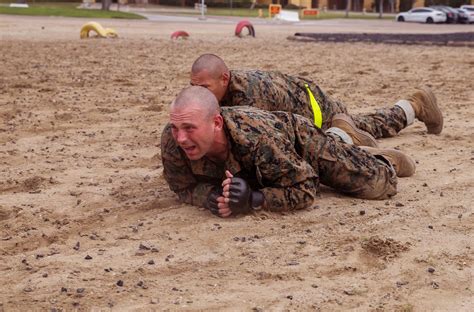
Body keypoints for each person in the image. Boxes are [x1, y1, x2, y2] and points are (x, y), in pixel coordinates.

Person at [161, 86, 416, 217]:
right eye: (176, 128)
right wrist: (213, 196)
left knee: (378, 184)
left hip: (298, 142)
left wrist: (254, 201)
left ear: (216, 123)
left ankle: (377, 156)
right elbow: (182, 187)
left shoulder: (260, 138)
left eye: (189, 128)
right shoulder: (173, 140)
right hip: (268, 160)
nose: (181, 138)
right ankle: (341, 136)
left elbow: (305, 189)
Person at [189, 53, 443, 147]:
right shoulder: (230, 87)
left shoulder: (248, 97)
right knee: (360, 123)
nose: (198, 93)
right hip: (302, 96)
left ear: (224, 78)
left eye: (204, 87)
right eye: (193, 87)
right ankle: (413, 105)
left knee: (364, 127)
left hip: (313, 108)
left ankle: (415, 106)